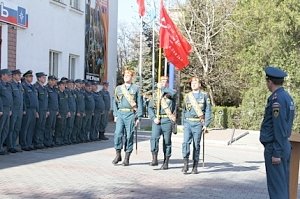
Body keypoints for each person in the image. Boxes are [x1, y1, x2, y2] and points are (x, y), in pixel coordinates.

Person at [260, 66, 295, 199]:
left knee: (276, 190)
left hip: (275, 147)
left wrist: (276, 152)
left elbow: (279, 127)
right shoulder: (287, 97)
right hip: (283, 145)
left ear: (269, 82)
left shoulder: (276, 100)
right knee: (282, 186)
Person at [112, 69, 143, 166]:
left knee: (129, 136)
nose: (126, 77)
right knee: (118, 134)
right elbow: (115, 102)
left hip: (130, 114)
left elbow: (140, 104)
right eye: (125, 75)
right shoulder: (118, 89)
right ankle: (118, 154)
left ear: (132, 77)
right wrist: (115, 114)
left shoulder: (136, 88)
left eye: (129, 75)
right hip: (121, 114)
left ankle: (126, 158)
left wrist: (138, 117)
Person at [181, 77, 212, 174]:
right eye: (192, 83)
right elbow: (184, 110)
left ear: (199, 85)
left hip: (198, 123)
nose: (193, 84)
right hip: (188, 123)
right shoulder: (187, 96)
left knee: (196, 145)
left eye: (195, 82)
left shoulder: (204, 95)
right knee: (185, 143)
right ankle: (186, 164)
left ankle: (195, 166)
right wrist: (183, 123)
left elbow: (208, 110)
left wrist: (206, 124)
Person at [148, 76, 176, 169]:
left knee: (167, 141)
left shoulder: (171, 93)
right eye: (162, 81)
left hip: (167, 120)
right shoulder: (156, 94)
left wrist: (163, 88)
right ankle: (154, 159)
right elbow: (150, 108)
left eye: (166, 81)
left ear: (168, 83)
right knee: (154, 139)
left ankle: (166, 161)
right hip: (157, 120)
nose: (164, 82)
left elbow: (173, 95)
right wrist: (153, 117)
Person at [20, 70, 39, 151]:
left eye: (32, 77)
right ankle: (24, 144)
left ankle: (29, 143)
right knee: (25, 127)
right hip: (27, 109)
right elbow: (23, 99)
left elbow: (36, 100)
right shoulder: (23, 86)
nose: (31, 78)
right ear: (25, 77)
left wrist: (37, 111)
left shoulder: (32, 87)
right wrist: (24, 109)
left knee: (31, 127)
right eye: (30, 76)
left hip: (33, 109)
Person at [7, 69, 23, 153]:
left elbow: (22, 99)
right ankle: (10, 146)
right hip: (14, 109)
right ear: (14, 76)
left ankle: (14, 144)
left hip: (20, 110)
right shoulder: (10, 85)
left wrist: (23, 109)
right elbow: (10, 99)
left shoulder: (20, 85)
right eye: (18, 75)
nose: (20, 76)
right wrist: (10, 109)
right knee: (11, 128)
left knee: (17, 128)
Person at [33, 72, 48, 149]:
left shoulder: (44, 88)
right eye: (43, 77)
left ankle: (40, 141)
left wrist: (47, 110)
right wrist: (36, 111)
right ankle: (36, 142)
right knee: (38, 127)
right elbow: (36, 101)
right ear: (38, 78)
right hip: (39, 110)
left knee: (42, 127)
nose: (44, 79)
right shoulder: (36, 87)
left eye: (45, 77)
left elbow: (46, 100)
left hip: (44, 110)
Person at [0, 69, 13, 155]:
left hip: (8, 109)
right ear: (3, 75)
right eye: (8, 75)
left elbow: (10, 98)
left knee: (5, 129)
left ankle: (1, 146)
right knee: (0, 128)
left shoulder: (8, 85)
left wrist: (10, 109)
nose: (10, 77)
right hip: (2, 109)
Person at [44, 75, 59, 147]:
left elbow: (56, 101)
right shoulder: (46, 89)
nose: (54, 82)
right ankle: (46, 141)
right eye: (53, 80)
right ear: (49, 81)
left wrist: (57, 110)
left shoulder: (55, 89)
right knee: (48, 126)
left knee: (52, 126)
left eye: (55, 81)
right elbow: (46, 101)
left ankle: (50, 140)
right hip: (49, 110)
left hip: (54, 110)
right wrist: (47, 110)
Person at [55, 80, 70, 146]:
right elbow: (57, 104)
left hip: (65, 112)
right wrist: (58, 113)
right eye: (63, 85)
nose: (64, 86)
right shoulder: (58, 93)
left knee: (63, 127)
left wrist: (68, 111)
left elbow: (66, 103)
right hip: (60, 113)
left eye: (64, 85)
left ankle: (61, 140)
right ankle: (57, 140)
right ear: (59, 86)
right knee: (59, 127)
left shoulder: (65, 93)